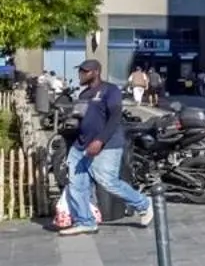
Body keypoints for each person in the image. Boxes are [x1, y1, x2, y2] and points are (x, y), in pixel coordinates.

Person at [58, 59, 153, 235]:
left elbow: (115, 117)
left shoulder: (111, 90)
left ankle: (144, 204)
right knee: (76, 184)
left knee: (108, 181)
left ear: (95, 72)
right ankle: (85, 221)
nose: (81, 74)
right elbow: (79, 118)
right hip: (81, 146)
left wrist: (100, 140)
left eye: (84, 71)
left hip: (107, 144)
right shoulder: (84, 95)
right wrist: (70, 122)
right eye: (80, 71)